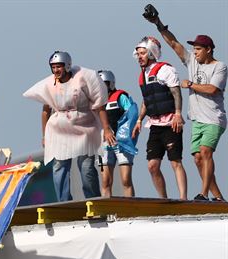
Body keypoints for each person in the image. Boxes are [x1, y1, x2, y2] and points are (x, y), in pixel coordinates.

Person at [144, 8, 226, 201]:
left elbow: (213, 89)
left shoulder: (220, 66)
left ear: (209, 50)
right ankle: (219, 198)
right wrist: (158, 23)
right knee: (198, 159)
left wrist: (190, 84)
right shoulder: (191, 61)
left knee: (206, 153)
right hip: (197, 118)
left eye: (198, 49)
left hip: (214, 118)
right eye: (194, 49)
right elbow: (173, 43)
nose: (194, 52)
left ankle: (203, 194)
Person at [23, 51, 116, 202]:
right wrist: (44, 135)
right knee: (59, 167)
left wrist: (106, 129)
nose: (55, 71)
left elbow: (99, 106)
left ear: (66, 66)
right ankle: (64, 202)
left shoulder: (82, 78)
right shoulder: (49, 84)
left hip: (84, 127)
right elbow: (45, 112)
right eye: (53, 67)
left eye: (58, 67)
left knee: (86, 168)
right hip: (59, 129)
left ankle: (93, 201)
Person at [131, 36, 187, 200]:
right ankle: (164, 199)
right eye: (138, 54)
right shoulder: (142, 75)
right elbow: (147, 100)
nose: (139, 57)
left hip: (171, 122)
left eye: (143, 53)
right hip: (154, 124)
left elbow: (176, 92)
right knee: (152, 166)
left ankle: (183, 198)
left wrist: (178, 114)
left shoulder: (165, 70)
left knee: (175, 161)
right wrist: (140, 120)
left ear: (151, 53)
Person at [97, 70, 139, 197]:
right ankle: (107, 210)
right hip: (103, 143)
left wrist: (126, 136)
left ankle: (131, 210)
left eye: (104, 84)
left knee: (126, 179)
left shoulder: (120, 97)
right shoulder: (95, 101)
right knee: (105, 181)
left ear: (111, 83)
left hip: (121, 143)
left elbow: (132, 115)